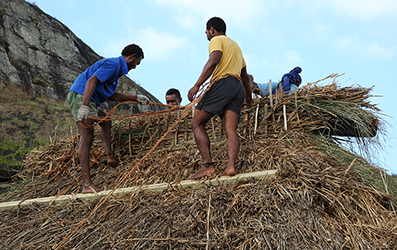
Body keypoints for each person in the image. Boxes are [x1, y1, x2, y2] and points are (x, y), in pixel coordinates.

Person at [66, 44, 149, 193]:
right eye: (136, 63)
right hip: (81, 96)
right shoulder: (113, 64)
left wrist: (135, 98)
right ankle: (86, 184)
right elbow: (91, 81)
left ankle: (110, 155)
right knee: (87, 136)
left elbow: (109, 95)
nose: (135, 67)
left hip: (89, 98)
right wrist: (84, 106)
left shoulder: (116, 72)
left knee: (105, 120)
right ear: (131, 57)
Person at [188, 17, 252, 179]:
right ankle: (230, 166)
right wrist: (248, 98)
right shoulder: (236, 47)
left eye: (206, 32)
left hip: (223, 83)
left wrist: (197, 85)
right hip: (237, 88)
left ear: (211, 30)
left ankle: (207, 166)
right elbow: (244, 77)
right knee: (230, 129)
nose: (207, 36)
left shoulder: (216, 40)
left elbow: (213, 61)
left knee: (197, 123)